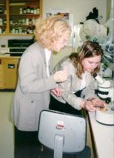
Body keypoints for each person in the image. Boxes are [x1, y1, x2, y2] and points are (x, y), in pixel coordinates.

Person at [11, 16, 71, 152]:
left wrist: (52, 87)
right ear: (52, 36)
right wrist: (53, 80)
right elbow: (26, 86)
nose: (65, 44)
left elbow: (42, 77)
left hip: (39, 105)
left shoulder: (47, 50)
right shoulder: (32, 53)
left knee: (35, 146)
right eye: (64, 40)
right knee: (26, 150)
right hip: (28, 111)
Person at [49, 40, 106, 116]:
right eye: (90, 62)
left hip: (75, 95)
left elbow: (88, 88)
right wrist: (83, 103)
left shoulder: (93, 68)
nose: (94, 66)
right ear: (81, 57)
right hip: (60, 99)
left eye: (97, 62)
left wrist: (92, 99)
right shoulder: (67, 66)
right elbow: (64, 92)